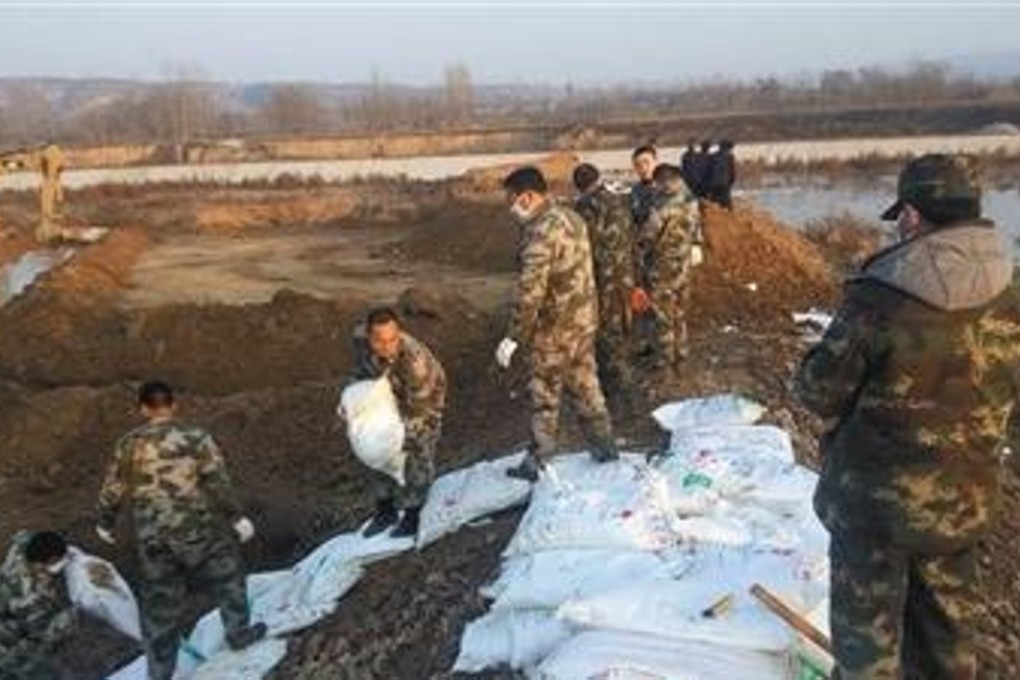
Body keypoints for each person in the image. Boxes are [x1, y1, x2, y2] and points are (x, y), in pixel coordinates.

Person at [793, 153, 1020, 680]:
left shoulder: (879, 298)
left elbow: (817, 393)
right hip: (964, 500)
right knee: (947, 644)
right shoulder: (1010, 294)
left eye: (901, 216)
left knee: (868, 652)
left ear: (913, 216)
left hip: (875, 509)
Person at [96, 381, 265, 680]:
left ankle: (160, 673)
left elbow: (113, 488)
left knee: (160, 608)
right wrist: (236, 517)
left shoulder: (128, 443)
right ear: (173, 406)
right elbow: (217, 480)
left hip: (154, 538)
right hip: (199, 529)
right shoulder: (196, 437)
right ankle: (238, 632)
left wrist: (105, 522)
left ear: (143, 409)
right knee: (227, 577)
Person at [495, 166, 618, 482]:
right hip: (583, 322)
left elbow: (530, 294)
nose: (510, 207)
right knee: (587, 387)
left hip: (554, 330)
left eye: (511, 200)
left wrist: (513, 336)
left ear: (527, 196)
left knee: (544, 395)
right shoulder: (571, 217)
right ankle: (605, 449)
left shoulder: (540, 233)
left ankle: (538, 460)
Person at [346, 307, 447, 538]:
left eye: (392, 339)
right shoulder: (359, 340)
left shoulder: (415, 362)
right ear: (369, 337)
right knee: (370, 443)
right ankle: (385, 509)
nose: (387, 346)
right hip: (388, 387)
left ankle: (413, 512)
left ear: (399, 334)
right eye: (379, 341)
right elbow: (360, 373)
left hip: (423, 399)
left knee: (416, 449)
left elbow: (419, 410)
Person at [573, 162, 636, 407]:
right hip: (626, 274)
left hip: (603, 276)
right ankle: (625, 378)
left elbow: (584, 244)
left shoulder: (584, 207)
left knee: (607, 332)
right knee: (623, 323)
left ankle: (619, 390)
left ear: (578, 186)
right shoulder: (620, 201)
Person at [639, 164, 699, 369]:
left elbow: (648, 235)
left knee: (662, 313)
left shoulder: (663, 207)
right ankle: (681, 351)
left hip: (662, 265)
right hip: (683, 262)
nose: (655, 187)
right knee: (679, 311)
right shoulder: (690, 199)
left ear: (665, 181)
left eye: (658, 183)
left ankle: (664, 357)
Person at [0, 531, 75, 680]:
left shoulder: (24, 546)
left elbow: (24, 536)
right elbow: (37, 628)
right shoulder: (31, 592)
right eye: (52, 563)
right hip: (12, 614)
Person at [629, 144, 658, 228]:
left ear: (655, 162)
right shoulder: (635, 190)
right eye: (638, 165)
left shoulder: (667, 188)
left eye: (647, 162)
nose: (643, 168)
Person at [705, 139, 736, 209]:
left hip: (713, 183)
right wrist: (731, 182)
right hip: (724, 183)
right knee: (727, 203)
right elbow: (732, 171)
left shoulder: (712, 156)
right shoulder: (730, 157)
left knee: (714, 201)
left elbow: (708, 171)